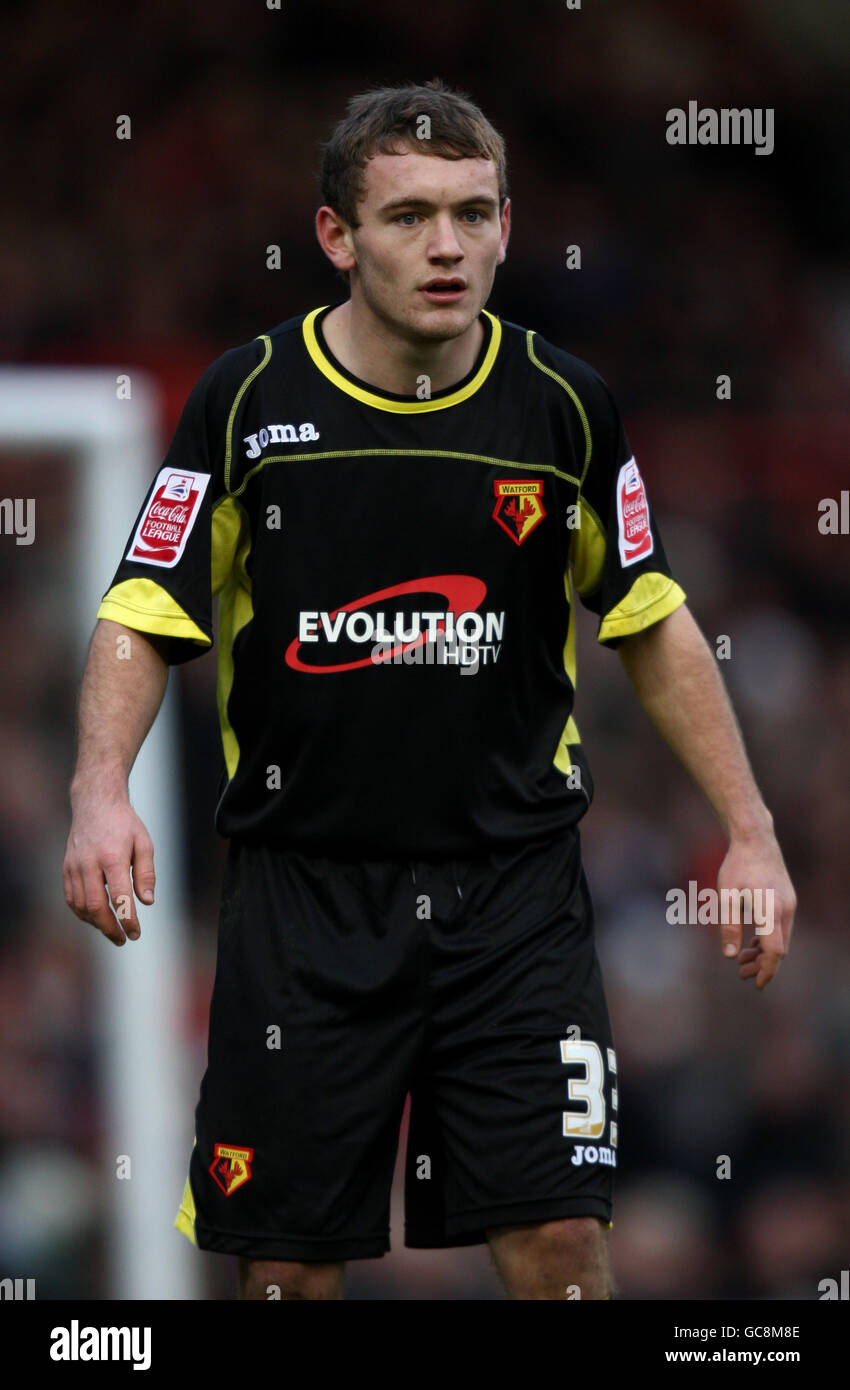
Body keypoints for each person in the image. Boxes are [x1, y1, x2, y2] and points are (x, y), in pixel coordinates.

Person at [63, 78, 796, 1301]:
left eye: (472, 212)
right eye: (408, 216)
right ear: (336, 236)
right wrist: (99, 790)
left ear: (510, 225)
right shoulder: (245, 402)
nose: (446, 245)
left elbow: (650, 616)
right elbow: (146, 608)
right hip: (305, 897)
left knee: (562, 1245)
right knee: (290, 1269)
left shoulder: (564, 406)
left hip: (513, 896)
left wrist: (751, 830)